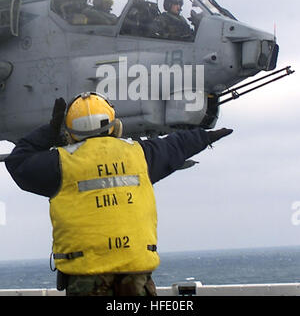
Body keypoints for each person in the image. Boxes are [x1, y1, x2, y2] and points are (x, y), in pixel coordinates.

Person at [5, 92, 233, 296]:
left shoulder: (60, 164)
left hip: (85, 278)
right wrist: (206, 137)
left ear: (71, 132)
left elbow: (17, 162)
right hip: (136, 276)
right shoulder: (140, 155)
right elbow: (177, 144)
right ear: (114, 124)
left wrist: (50, 131)